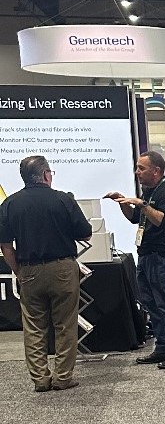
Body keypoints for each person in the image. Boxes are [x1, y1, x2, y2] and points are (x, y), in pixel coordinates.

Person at [0, 155, 92, 392]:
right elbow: (85, 234)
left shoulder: (10, 204)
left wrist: (18, 270)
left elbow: (6, 245)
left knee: (33, 327)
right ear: (46, 175)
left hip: (29, 269)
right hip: (62, 268)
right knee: (65, 324)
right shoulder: (63, 199)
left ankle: (40, 379)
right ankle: (63, 376)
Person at [105, 151, 165, 369]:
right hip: (146, 254)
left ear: (156, 171)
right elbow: (135, 219)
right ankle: (163, 348)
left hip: (162, 257)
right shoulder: (150, 192)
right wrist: (122, 202)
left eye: (141, 168)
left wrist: (142, 204)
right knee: (151, 304)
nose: (137, 172)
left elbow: (163, 221)